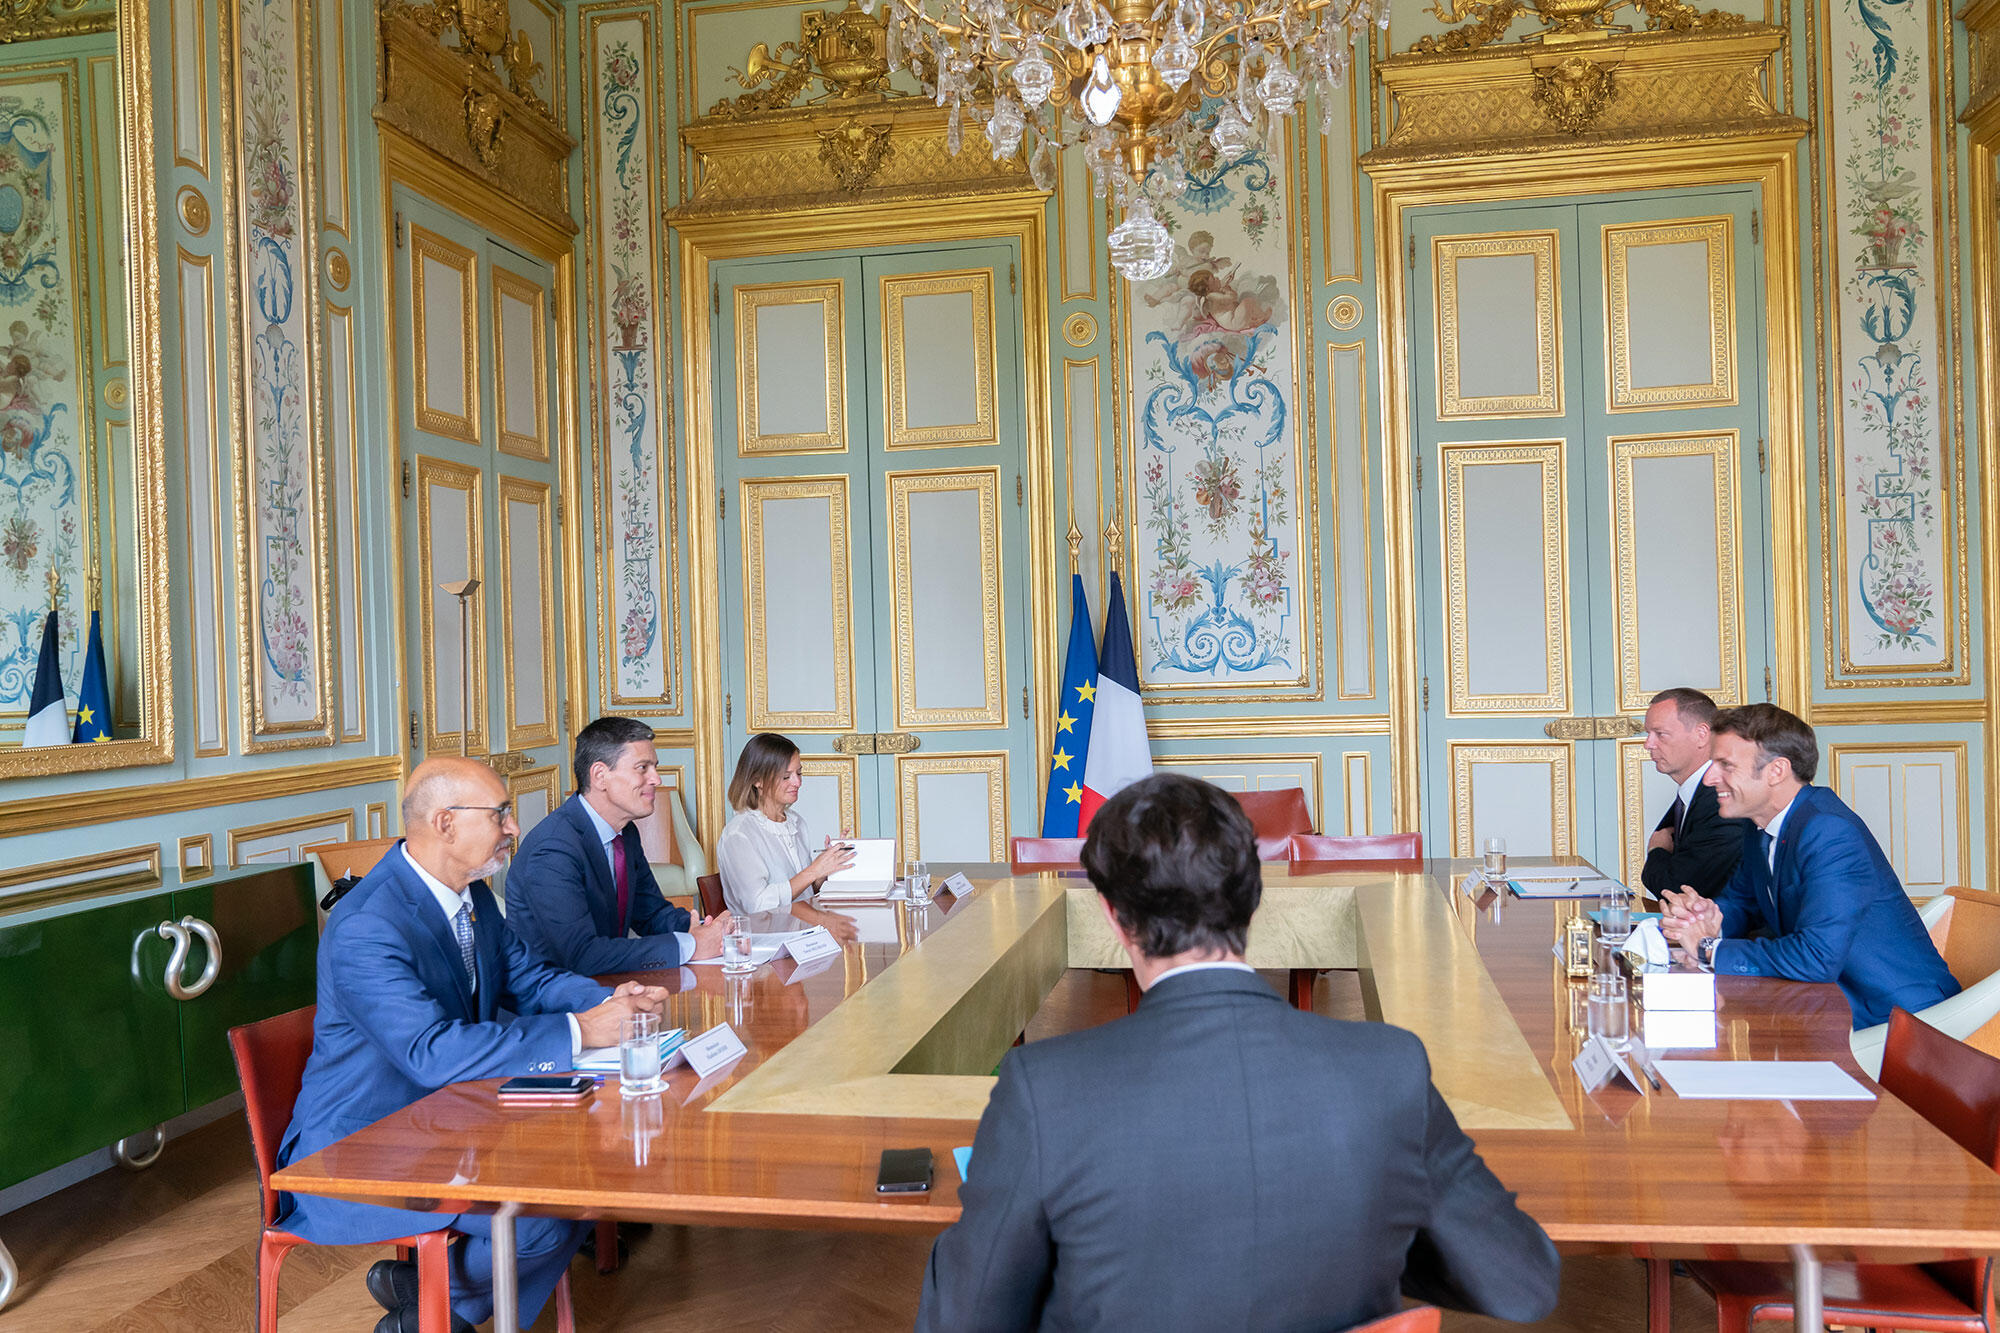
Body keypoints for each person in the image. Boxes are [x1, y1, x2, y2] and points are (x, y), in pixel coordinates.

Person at [916, 773, 1561, 1332]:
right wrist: (1367, 1223)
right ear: (1255, 899)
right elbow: (1521, 1283)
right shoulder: (1388, 1070)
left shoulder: (1043, 1090)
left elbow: (965, 1318)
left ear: (1113, 918)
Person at [275, 757, 669, 1333]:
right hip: (363, 1144)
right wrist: (582, 1031)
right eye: (501, 814)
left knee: (585, 1190)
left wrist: (609, 1001)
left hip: (449, 1120)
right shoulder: (366, 924)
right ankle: (441, 1308)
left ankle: (436, 1302)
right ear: (444, 823)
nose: (514, 829)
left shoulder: (472, 893)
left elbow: (529, 978)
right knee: (539, 1223)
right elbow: (431, 1053)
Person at [1659, 704, 1959, 1029]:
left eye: (1725, 765)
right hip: (1822, 1002)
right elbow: (1742, 902)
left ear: (1776, 771)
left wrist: (1709, 949)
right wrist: (1710, 918)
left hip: (1892, 1018)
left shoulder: (1828, 831)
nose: (1710, 778)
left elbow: (1816, 958)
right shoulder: (1760, 822)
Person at [506, 716, 732, 972]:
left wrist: (709, 929)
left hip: (609, 988)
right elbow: (581, 955)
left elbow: (652, 914)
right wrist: (690, 945)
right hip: (557, 1001)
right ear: (600, 776)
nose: (656, 779)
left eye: (654, 767)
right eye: (642, 768)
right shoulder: (553, 849)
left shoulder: (625, 832)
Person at [713, 732, 861, 941]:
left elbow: (803, 891)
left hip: (804, 936)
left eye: (799, 773)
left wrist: (827, 866)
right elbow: (757, 905)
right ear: (758, 780)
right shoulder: (739, 835)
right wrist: (813, 870)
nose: (797, 782)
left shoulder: (796, 823)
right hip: (765, 945)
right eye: (786, 776)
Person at [1638, 687, 1751, 899]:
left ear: (1701, 735)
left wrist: (1657, 851)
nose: (1648, 744)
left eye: (1660, 734)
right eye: (1648, 734)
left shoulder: (1722, 801)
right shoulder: (1695, 792)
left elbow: (1677, 888)